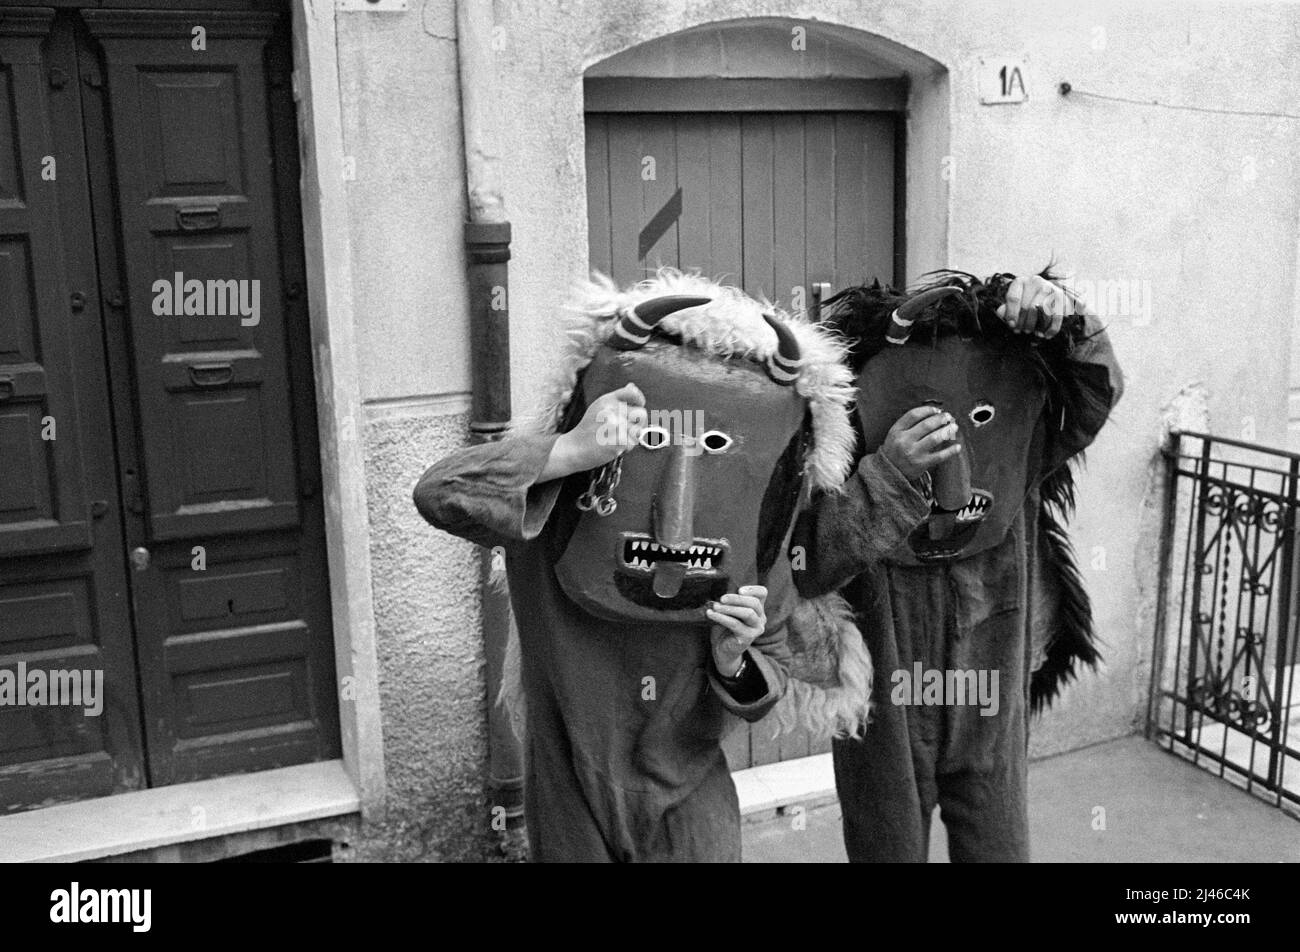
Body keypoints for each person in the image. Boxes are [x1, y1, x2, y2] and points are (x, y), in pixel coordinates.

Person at [414, 270, 872, 862]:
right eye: (654, 436)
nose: (675, 504)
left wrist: (734, 660)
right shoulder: (551, 513)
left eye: (713, 445)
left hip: (691, 803)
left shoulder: (754, 550)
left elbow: (772, 677)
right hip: (568, 796)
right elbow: (439, 492)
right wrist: (571, 450)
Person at [792, 270, 1124, 862]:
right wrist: (888, 477)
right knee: (885, 848)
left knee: (998, 848)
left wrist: (1067, 318)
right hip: (885, 705)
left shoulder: (1027, 448)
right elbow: (808, 563)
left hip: (989, 694)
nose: (953, 452)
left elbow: (1096, 387)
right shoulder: (838, 464)